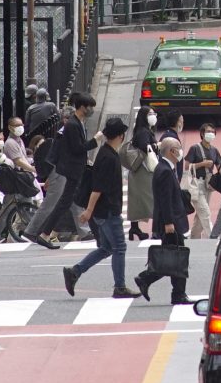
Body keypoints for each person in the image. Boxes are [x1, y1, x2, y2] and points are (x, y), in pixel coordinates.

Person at [62, 118, 141, 300]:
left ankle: (75, 271)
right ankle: (119, 287)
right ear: (120, 136)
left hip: (102, 211)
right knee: (119, 248)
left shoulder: (106, 153)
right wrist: (89, 211)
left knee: (107, 248)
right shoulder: (109, 158)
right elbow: (98, 188)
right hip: (107, 211)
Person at [22, 92, 103, 249]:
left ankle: (46, 233)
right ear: (81, 107)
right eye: (89, 107)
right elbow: (77, 148)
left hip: (74, 169)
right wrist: (95, 140)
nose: (91, 110)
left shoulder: (78, 123)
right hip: (71, 170)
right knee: (66, 202)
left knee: (72, 201)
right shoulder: (72, 125)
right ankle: (44, 233)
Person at [134, 137, 191, 305]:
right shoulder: (165, 170)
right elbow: (165, 200)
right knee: (177, 256)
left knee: (173, 256)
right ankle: (152, 281)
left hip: (172, 221)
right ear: (172, 151)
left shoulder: (165, 168)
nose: (181, 152)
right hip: (171, 222)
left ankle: (174, 291)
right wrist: (168, 223)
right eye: (179, 148)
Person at [185, 123, 221, 239]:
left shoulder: (214, 150)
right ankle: (213, 237)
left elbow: (220, 165)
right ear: (202, 134)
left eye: (212, 132)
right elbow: (187, 167)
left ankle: (194, 239)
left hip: (208, 185)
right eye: (208, 131)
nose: (211, 134)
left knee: (200, 215)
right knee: (205, 212)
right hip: (196, 184)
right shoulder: (195, 148)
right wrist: (202, 164)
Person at [126, 106, 157, 241]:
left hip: (139, 169)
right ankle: (156, 229)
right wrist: (157, 146)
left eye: (153, 113)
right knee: (152, 200)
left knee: (137, 200)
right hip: (145, 169)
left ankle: (134, 228)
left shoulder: (140, 130)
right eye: (150, 113)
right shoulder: (144, 132)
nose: (153, 116)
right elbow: (146, 147)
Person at [157, 110, 184, 181]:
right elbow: (175, 157)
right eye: (181, 121)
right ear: (177, 122)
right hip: (170, 176)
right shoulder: (171, 138)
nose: (182, 123)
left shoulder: (167, 134)